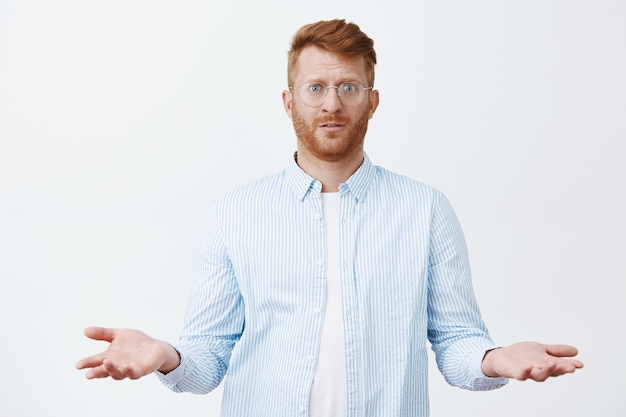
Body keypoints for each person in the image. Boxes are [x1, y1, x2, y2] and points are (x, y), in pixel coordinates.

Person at [76, 19, 583, 417]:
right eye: (315, 87)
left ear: (373, 101)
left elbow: (455, 342)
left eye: (349, 87)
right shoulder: (234, 214)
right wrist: (165, 354)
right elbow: (207, 358)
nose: (331, 104)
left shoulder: (425, 210)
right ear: (288, 100)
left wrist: (495, 359)